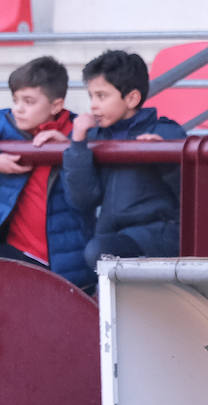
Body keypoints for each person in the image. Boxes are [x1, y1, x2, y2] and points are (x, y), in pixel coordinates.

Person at [55, 50, 184, 269]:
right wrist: (77, 144)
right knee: (85, 256)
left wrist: (163, 155)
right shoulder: (92, 136)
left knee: (97, 251)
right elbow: (82, 200)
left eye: (102, 96)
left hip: (157, 236)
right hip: (109, 237)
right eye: (91, 96)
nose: (94, 105)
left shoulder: (166, 132)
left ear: (132, 98)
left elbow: (189, 189)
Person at [0, 56, 94, 289]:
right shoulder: (5, 122)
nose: (18, 109)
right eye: (15, 99)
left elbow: (90, 193)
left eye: (29, 101)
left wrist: (71, 146)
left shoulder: (80, 131)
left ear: (56, 105)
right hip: (14, 252)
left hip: (67, 261)